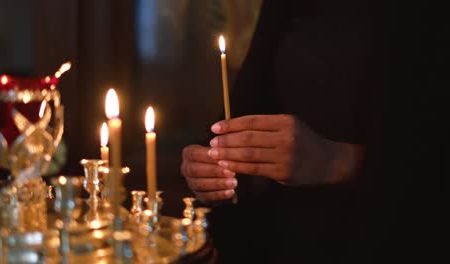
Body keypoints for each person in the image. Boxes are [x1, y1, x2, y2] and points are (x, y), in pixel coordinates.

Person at [181, 1, 447, 263]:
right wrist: (208, 167)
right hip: (281, 242)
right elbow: (243, 109)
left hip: (396, 242)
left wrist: (341, 162)